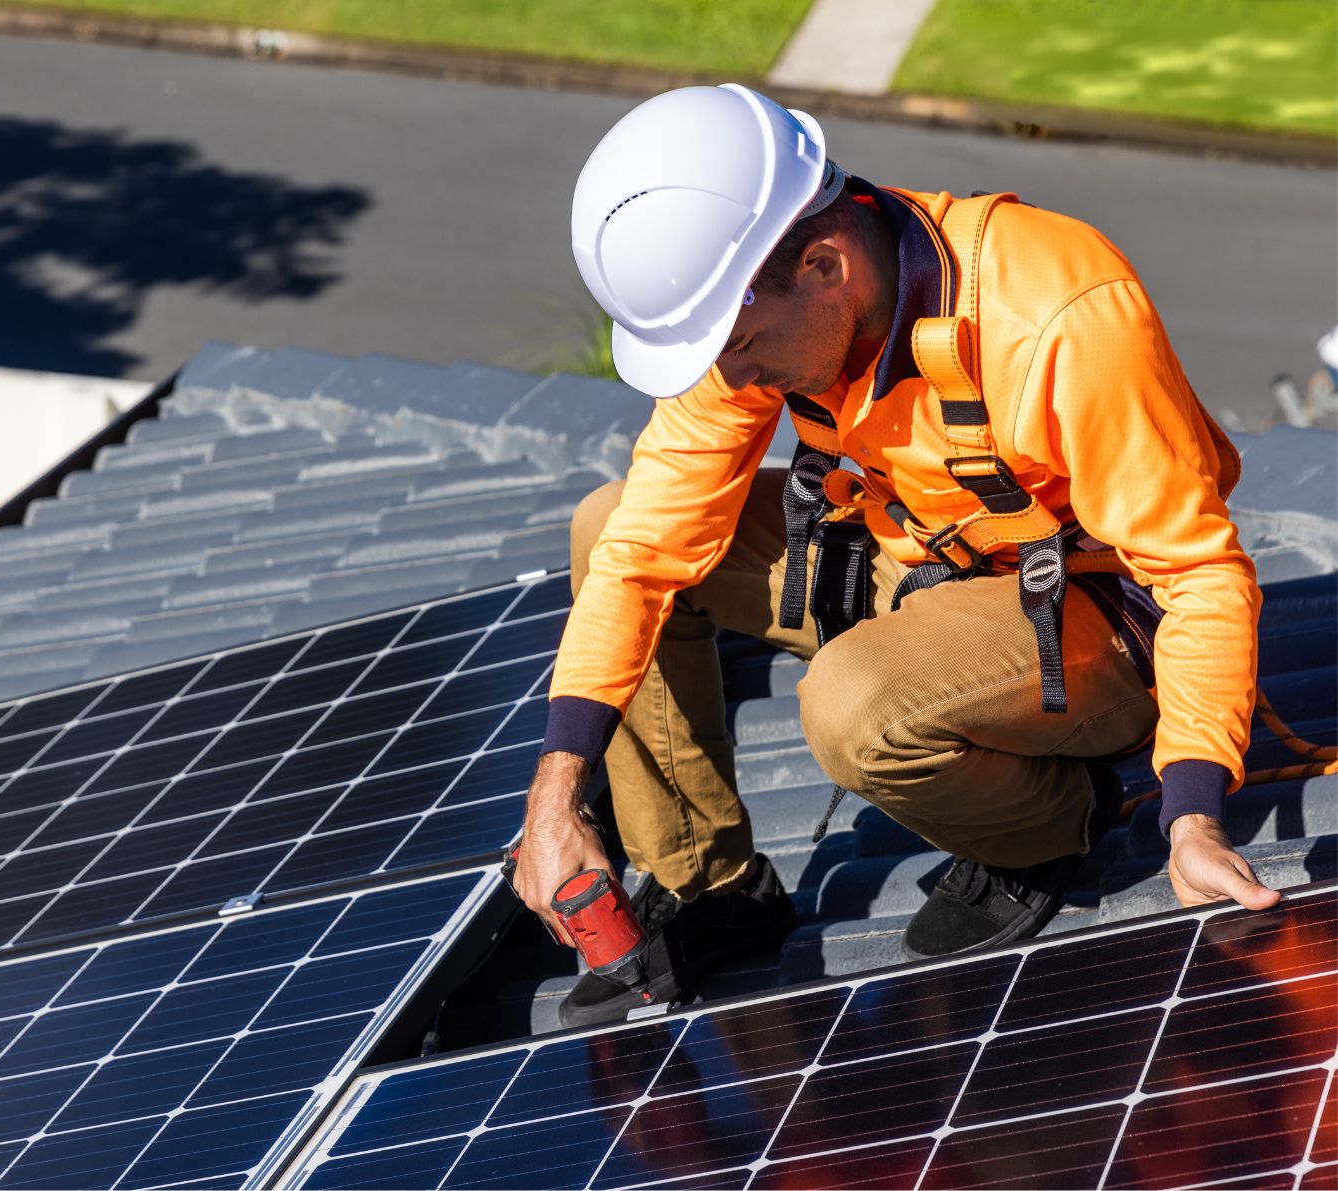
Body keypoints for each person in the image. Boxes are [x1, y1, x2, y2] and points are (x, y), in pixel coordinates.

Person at [509, 85, 1279, 1028]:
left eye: (740, 345)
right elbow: (638, 551)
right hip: (925, 564)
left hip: (1096, 620)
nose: (733, 378)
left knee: (852, 706)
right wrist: (554, 795)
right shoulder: (767, 310)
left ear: (825, 264)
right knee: (606, 523)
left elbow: (1197, 576)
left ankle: (1045, 823)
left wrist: (1192, 813)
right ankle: (711, 883)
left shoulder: (1059, 311)